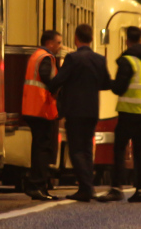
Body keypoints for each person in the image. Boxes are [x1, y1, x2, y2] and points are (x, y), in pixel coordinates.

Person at [46, 23, 110, 201]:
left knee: (75, 150)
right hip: (92, 110)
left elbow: (60, 79)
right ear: (91, 39)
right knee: (87, 150)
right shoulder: (100, 59)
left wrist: (51, 86)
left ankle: (86, 188)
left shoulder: (73, 58)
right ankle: (86, 186)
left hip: (74, 109)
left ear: (76, 38)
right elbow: (105, 83)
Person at [99, 26, 141, 203]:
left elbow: (119, 88)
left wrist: (106, 81)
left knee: (119, 149)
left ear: (127, 40)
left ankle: (116, 188)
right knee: (140, 152)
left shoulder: (128, 61)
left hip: (129, 113)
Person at [21, 29, 62, 201]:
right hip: (41, 109)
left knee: (38, 147)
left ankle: (36, 185)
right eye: (58, 43)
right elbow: (47, 78)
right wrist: (59, 84)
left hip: (32, 108)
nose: (60, 46)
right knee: (43, 148)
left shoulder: (36, 55)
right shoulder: (46, 57)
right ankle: (37, 184)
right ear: (50, 43)